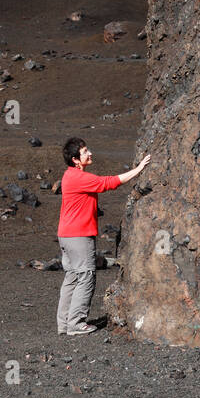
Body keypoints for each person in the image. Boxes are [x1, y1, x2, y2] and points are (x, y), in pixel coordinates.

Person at [56, 138, 150, 335]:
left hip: (67, 235)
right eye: (85, 152)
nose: (90, 153)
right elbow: (108, 183)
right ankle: (76, 324)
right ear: (76, 160)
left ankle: (64, 324)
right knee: (86, 276)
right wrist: (138, 169)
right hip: (79, 236)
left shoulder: (69, 176)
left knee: (72, 277)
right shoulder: (78, 178)